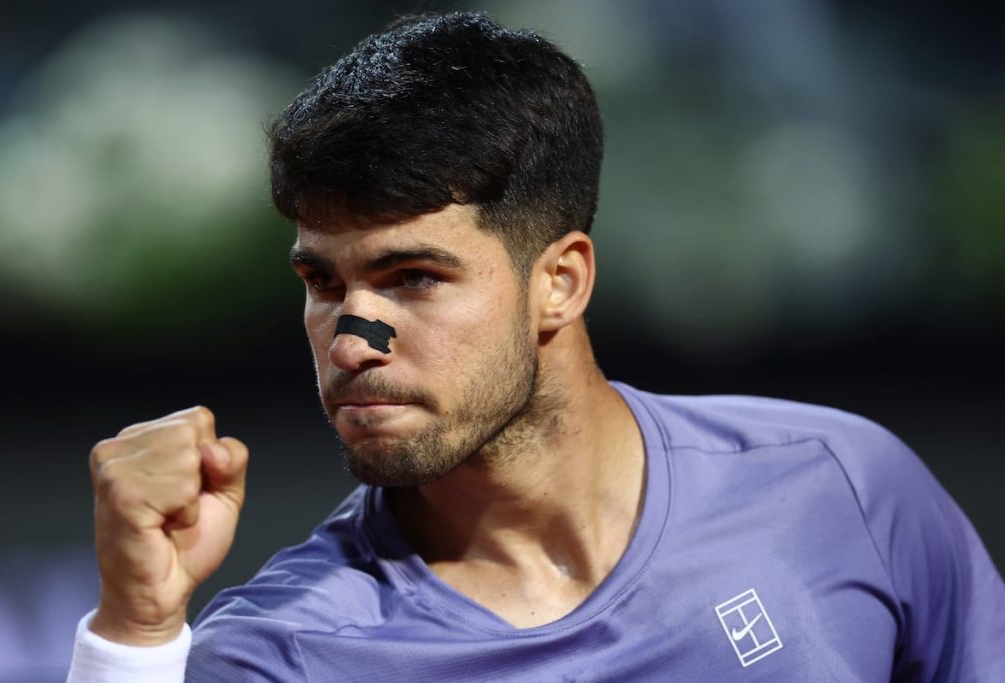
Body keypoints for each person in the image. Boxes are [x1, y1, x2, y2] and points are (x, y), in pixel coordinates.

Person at [67, 11, 1003, 682]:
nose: (351, 341)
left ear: (561, 280)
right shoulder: (280, 651)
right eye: (323, 283)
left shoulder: (839, 486)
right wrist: (135, 629)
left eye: (413, 277)